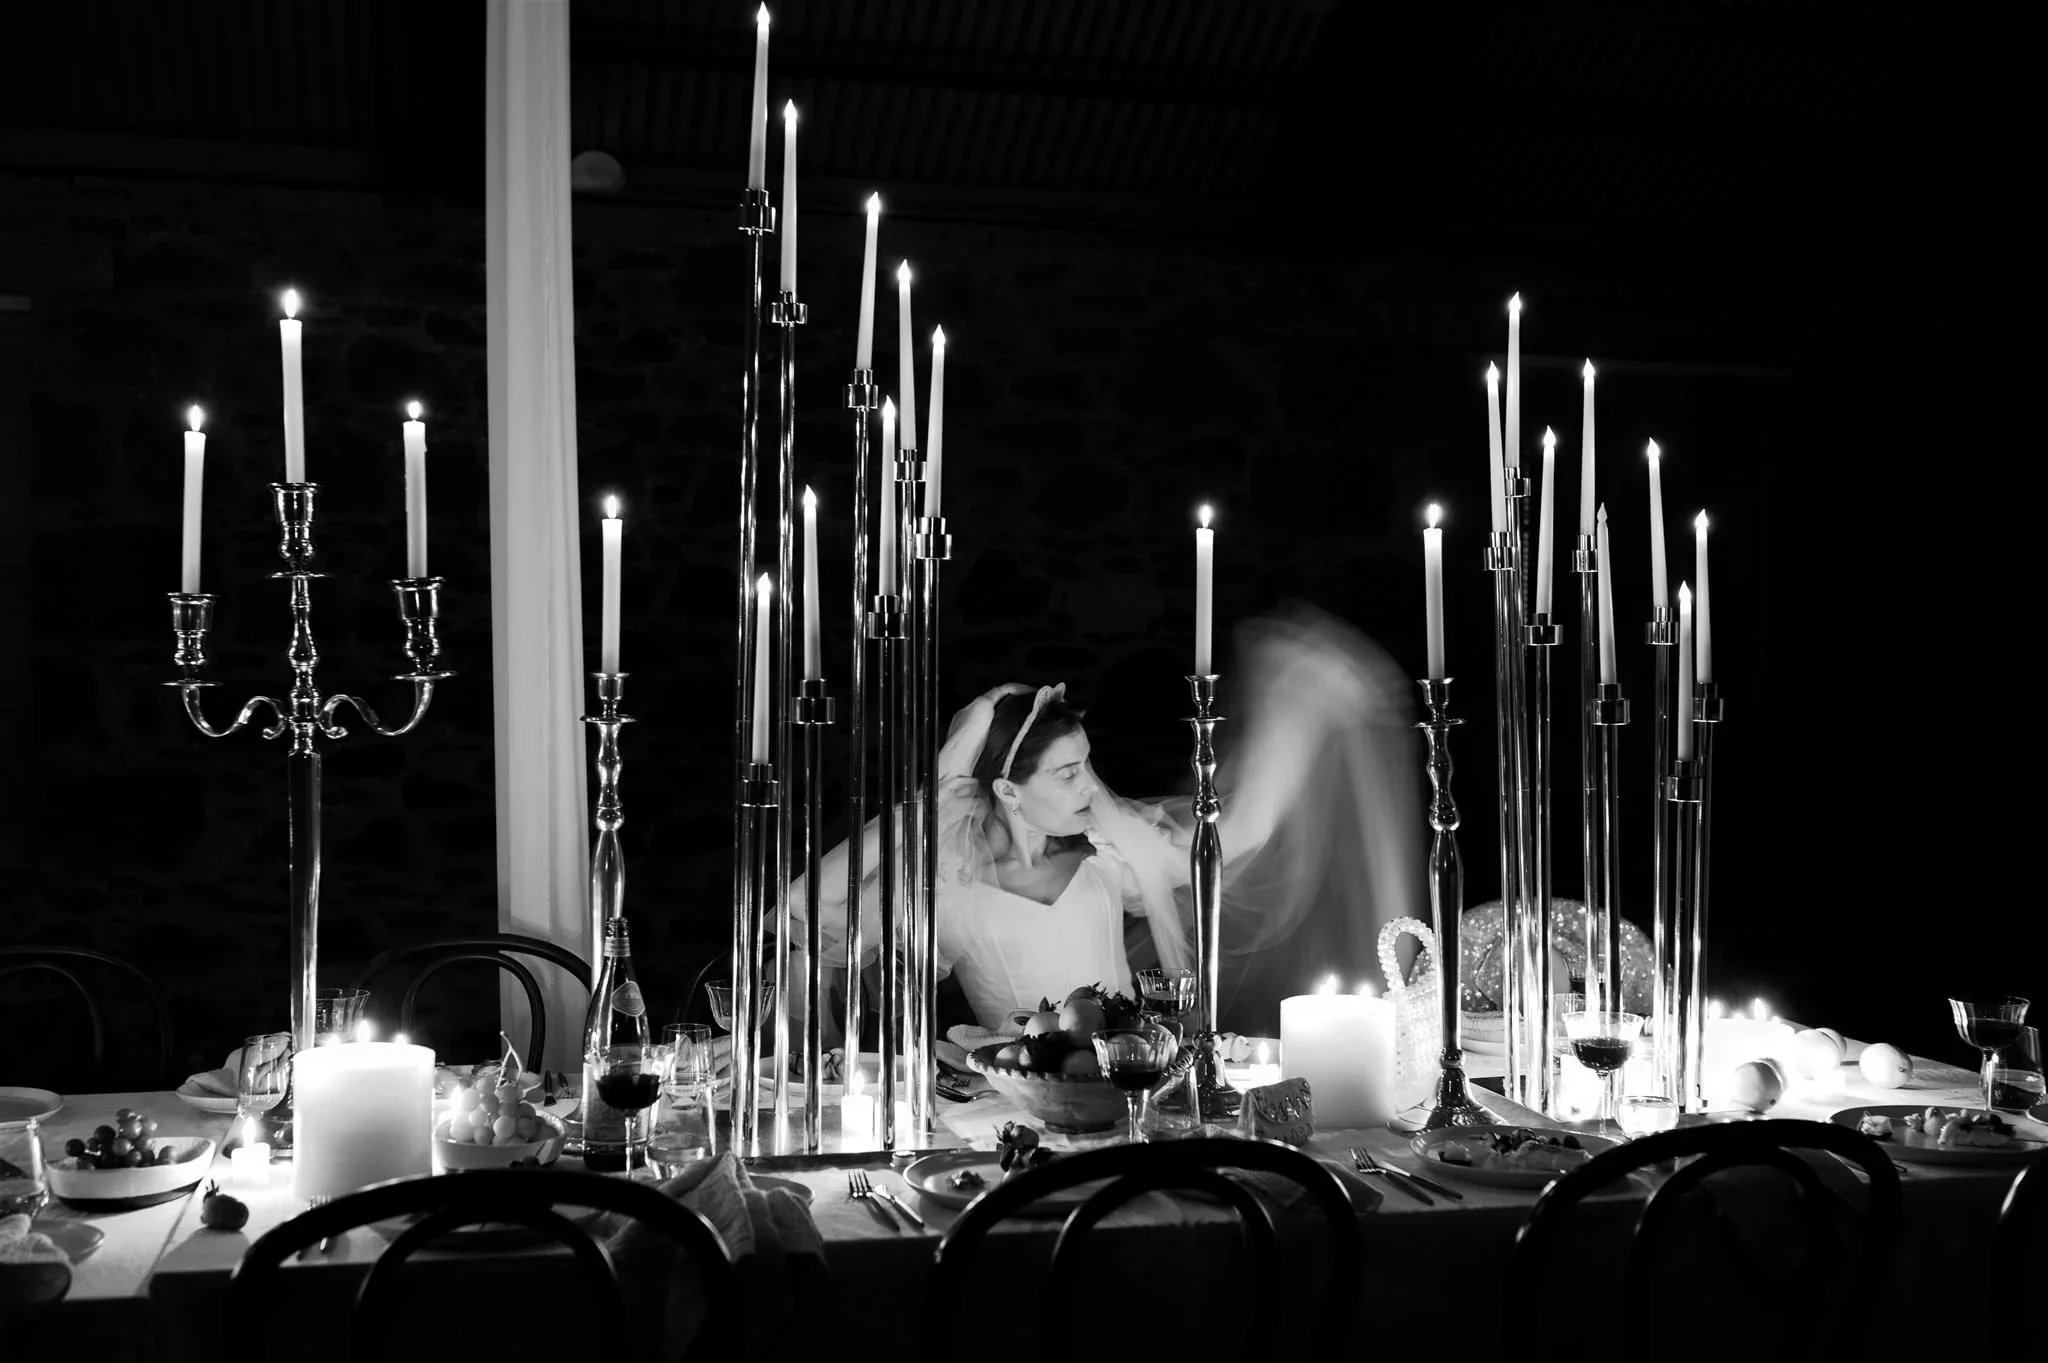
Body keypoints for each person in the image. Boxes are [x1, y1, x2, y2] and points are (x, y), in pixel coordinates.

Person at [792, 606, 1426, 1037]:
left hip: (1133, 1077)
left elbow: (1231, 841)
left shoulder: (1106, 856)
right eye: (1067, 774)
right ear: (1010, 790)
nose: (1089, 786)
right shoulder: (952, 891)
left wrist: (1302, 711)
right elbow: (805, 905)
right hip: (1013, 1104)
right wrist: (936, 796)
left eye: (1086, 765)